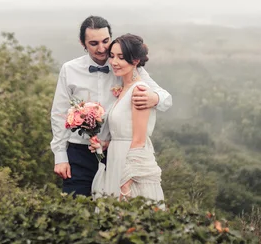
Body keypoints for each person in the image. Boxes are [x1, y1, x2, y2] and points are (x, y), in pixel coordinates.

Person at [50, 16, 172, 197]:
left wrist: (154, 98)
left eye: (105, 41)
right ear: (82, 43)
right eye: (93, 43)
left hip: (113, 152)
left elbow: (165, 98)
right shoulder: (69, 69)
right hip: (79, 152)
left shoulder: (125, 64)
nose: (102, 49)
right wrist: (60, 157)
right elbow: (59, 114)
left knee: (111, 212)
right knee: (74, 209)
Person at [90, 34, 165, 203]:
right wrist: (103, 144)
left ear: (136, 61)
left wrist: (127, 181)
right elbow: (124, 130)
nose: (114, 62)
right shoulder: (123, 88)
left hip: (130, 164)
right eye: (112, 56)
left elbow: (138, 139)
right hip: (116, 159)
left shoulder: (139, 90)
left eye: (121, 58)